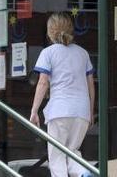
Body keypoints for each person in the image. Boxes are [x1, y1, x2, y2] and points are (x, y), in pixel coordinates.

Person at [30, 12, 95, 177]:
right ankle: (83, 172)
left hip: (60, 110)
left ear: (50, 32)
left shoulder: (48, 53)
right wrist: (90, 111)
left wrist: (34, 110)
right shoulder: (83, 53)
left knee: (57, 157)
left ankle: (83, 173)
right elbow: (91, 86)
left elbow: (43, 82)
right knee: (72, 152)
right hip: (81, 111)